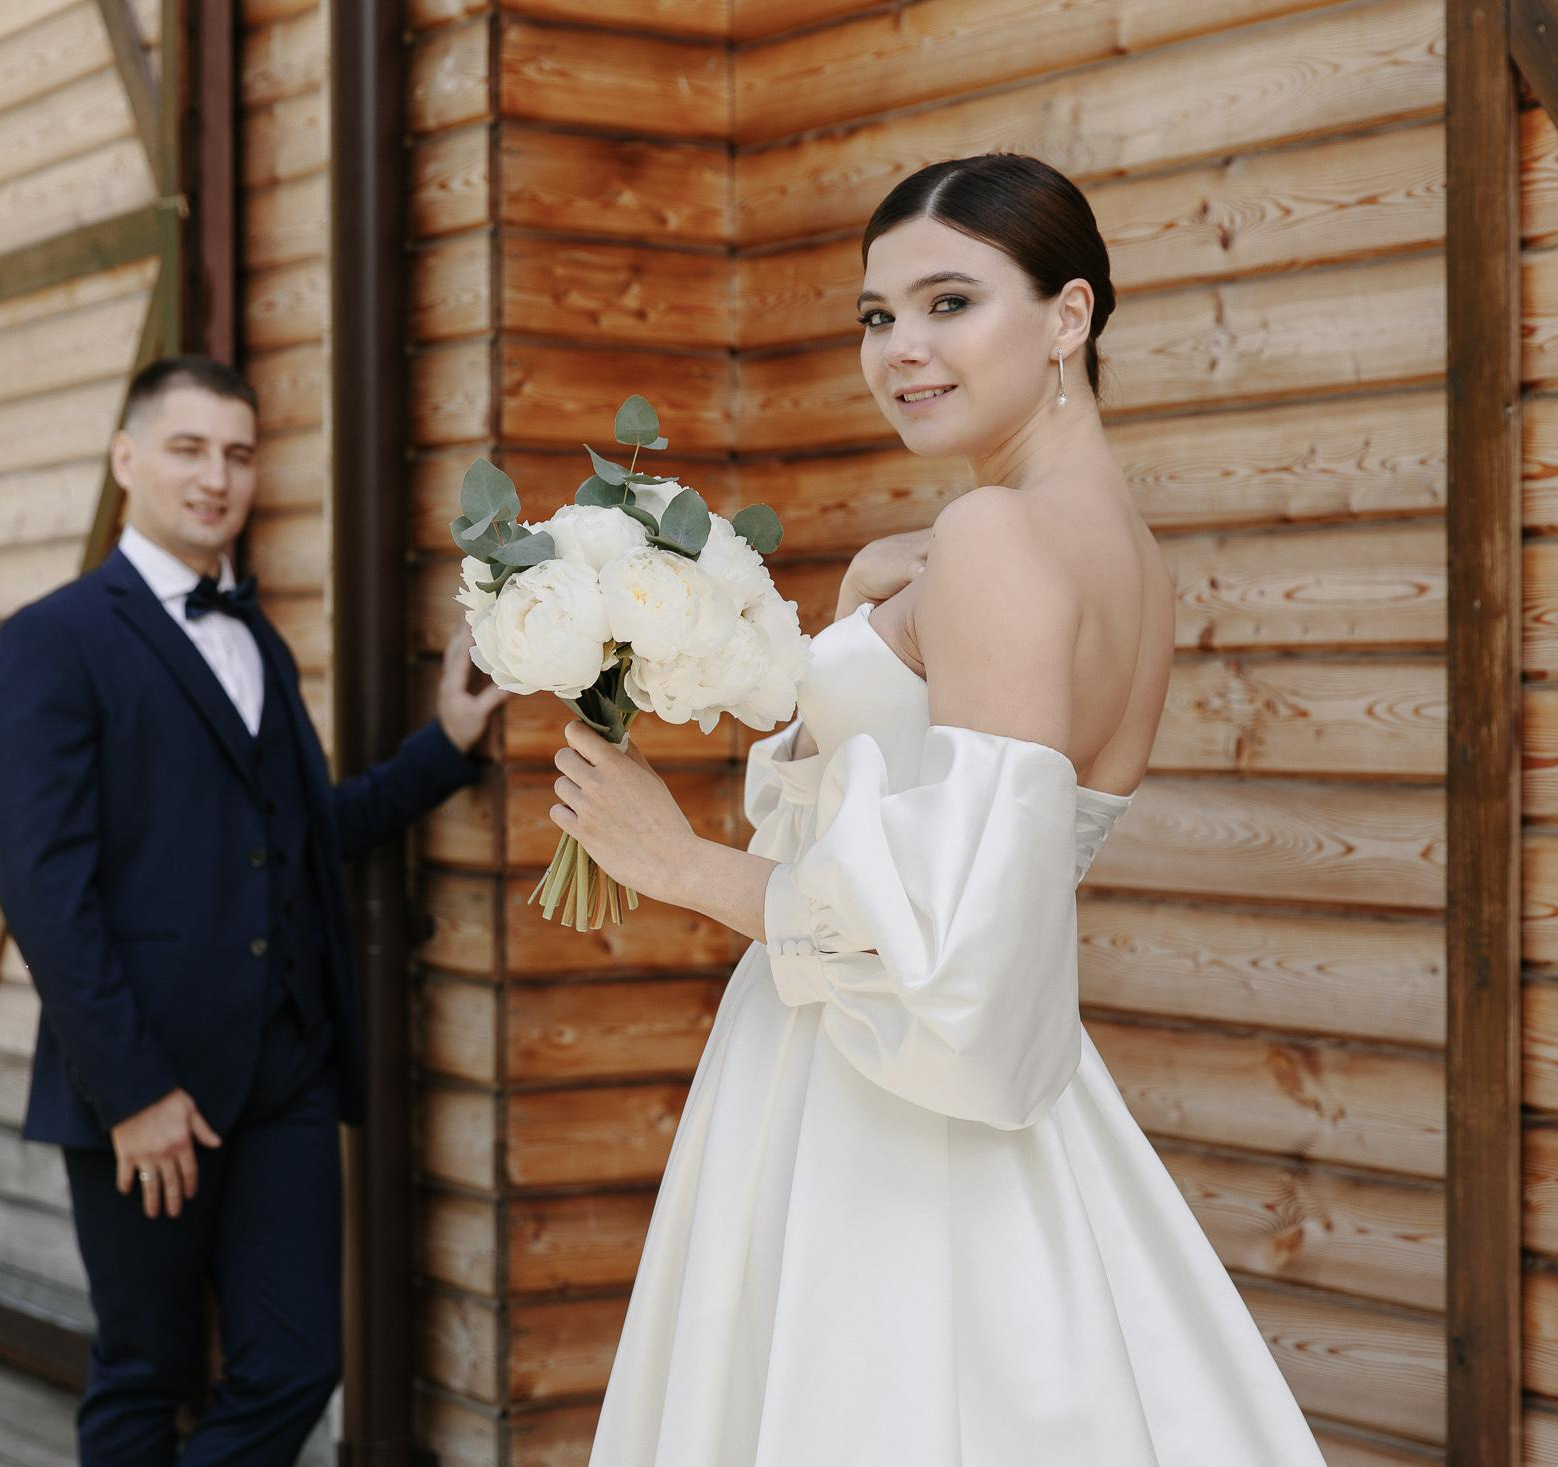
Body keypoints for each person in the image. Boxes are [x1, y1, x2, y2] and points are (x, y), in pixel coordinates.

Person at [556, 156, 1329, 1463]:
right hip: (985, 1089)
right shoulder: (1120, 555)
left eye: (949, 301)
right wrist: (872, 617)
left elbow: (961, 954)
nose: (900, 348)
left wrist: (676, 861)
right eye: (876, 315)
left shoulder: (989, 543)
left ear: (1069, 317)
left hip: (881, 1106)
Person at [0, 355, 510, 1465]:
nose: (215, 477)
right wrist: (132, 1092)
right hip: (146, 1080)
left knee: (296, 1363)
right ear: (127, 459)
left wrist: (441, 750)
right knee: (145, 1372)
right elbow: (45, 888)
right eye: (187, 448)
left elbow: (300, 835)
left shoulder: (254, 636)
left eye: (237, 453)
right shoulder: (53, 639)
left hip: (285, 1073)